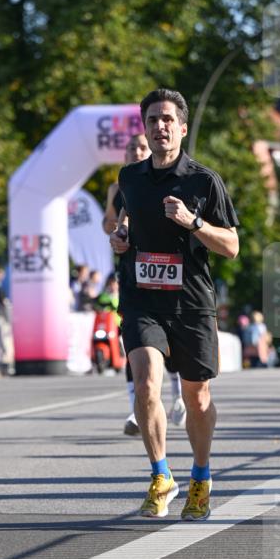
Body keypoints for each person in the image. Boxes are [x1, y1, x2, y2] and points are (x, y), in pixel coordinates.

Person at [111, 88, 239, 520]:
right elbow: (122, 227)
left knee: (197, 398)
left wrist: (194, 221)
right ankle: (161, 475)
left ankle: (200, 477)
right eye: (152, 120)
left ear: (182, 128)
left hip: (191, 305)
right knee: (146, 382)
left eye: (167, 119)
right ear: (144, 127)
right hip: (142, 299)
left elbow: (232, 246)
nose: (159, 126)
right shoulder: (129, 179)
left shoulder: (204, 181)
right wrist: (120, 239)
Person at [105, 133, 186, 437]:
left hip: (168, 269)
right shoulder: (119, 185)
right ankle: (136, 410)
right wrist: (118, 232)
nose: (136, 151)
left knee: (172, 343)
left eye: (140, 146)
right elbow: (110, 221)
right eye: (131, 148)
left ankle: (179, 396)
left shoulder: (166, 179)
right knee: (135, 342)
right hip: (132, 269)